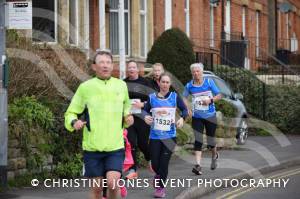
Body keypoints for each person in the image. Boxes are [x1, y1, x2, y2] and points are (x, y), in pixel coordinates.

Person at [64, 50, 134, 199]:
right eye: (101, 62)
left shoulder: (121, 86)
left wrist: (128, 117)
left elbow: (126, 107)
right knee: (96, 189)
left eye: (108, 62)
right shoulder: (85, 87)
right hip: (93, 147)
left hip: (115, 146)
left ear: (112, 66)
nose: (105, 66)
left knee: (113, 183)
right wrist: (74, 122)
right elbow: (71, 112)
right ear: (94, 67)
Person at [143, 73, 188, 198]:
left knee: (163, 163)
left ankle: (160, 189)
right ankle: (159, 176)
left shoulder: (174, 97)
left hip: (170, 136)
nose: (165, 84)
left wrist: (182, 119)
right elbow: (144, 111)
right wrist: (146, 116)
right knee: (155, 164)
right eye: (163, 82)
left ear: (170, 84)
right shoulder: (152, 97)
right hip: (155, 137)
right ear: (159, 82)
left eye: (167, 82)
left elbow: (185, 110)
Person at [182, 63, 222, 175]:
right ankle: (198, 165)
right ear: (192, 73)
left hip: (210, 116)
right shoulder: (189, 85)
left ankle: (215, 154)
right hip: (197, 117)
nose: (196, 73)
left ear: (202, 72)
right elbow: (183, 97)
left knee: (210, 141)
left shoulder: (209, 82)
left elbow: (219, 95)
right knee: (198, 140)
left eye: (198, 71)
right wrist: (187, 107)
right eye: (194, 71)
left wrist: (211, 100)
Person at [123, 60, 152, 179]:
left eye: (133, 67)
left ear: (137, 69)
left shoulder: (145, 82)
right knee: (131, 143)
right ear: (127, 69)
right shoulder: (123, 83)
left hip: (142, 117)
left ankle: (150, 158)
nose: (131, 69)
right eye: (129, 67)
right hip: (129, 117)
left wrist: (143, 104)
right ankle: (132, 170)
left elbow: (152, 99)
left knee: (142, 143)